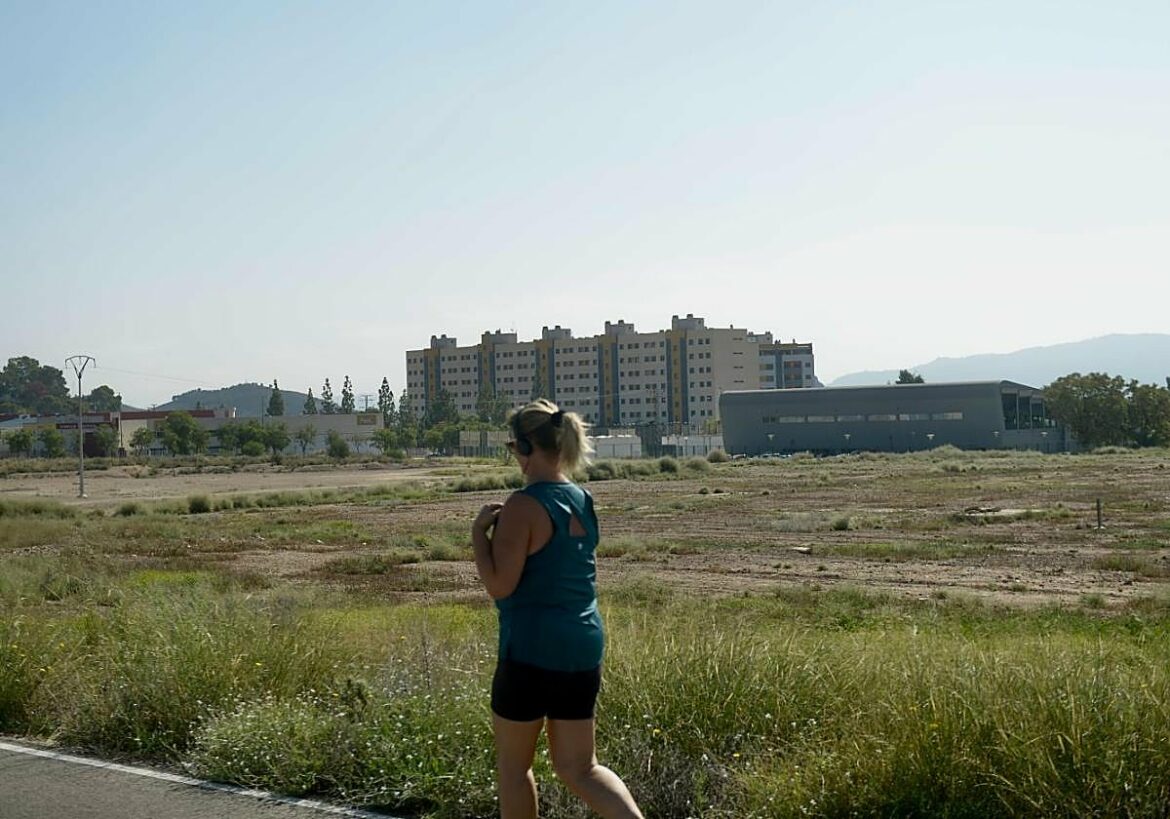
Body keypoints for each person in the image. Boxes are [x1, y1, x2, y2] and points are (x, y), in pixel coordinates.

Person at [471, 399, 644, 819]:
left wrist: (479, 534)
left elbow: (499, 585)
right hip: (582, 645)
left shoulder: (523, 506)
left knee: (514, 768)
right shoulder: (581, 498)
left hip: (531, 649)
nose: (514, 455)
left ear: (527, 448)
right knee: (581, 768)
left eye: (513, 445)